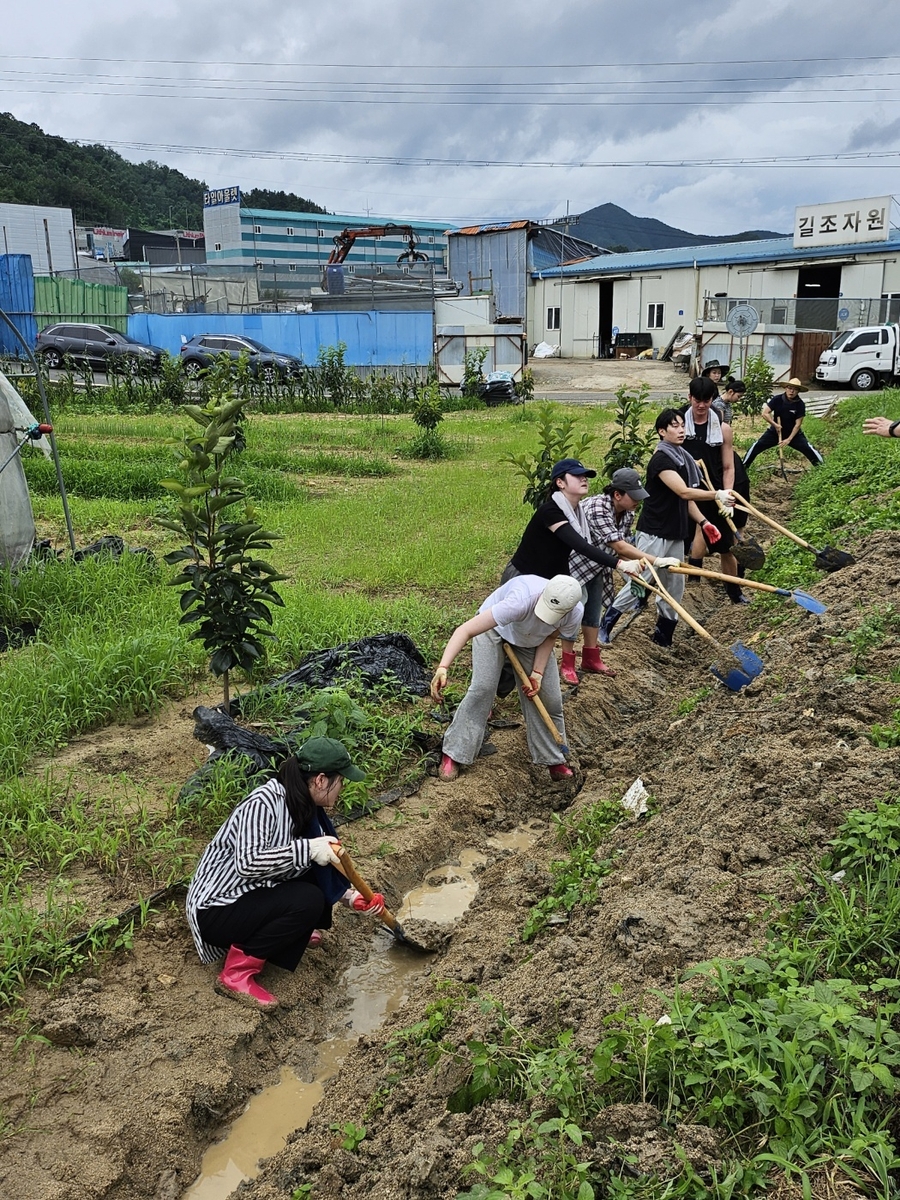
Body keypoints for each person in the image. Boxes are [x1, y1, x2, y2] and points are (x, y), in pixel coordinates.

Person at [185, 737, 385, 1010]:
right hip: (217, 907)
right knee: (308, 900)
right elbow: (248, 863)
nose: (342, 789)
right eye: (341, 782)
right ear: (321, 780)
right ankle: (236, 974)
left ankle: (291, 933)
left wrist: (350, 897)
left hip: (252, 893)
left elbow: (316, 862)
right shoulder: (264, 804)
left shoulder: (304, 805)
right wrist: (308, 849)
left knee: (314, 875)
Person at [503, 457, 657, 683]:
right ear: (560, 483)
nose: (584, 479)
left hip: (548, 579)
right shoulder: (552, 512)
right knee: (513, 634)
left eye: (585, 475)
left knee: (536, 632)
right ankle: (492, 689)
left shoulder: (577, 512)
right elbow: (581, 546)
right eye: (577, 476)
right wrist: (621, 564)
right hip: (523, 579)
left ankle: (525, 680)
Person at [599, 409, 737, 648]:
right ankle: (606, 626)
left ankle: (663, 639)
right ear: (662, 432)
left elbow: (687, 500)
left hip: (675, 533)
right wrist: (717, 494)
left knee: (675, 587)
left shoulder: (682, 458)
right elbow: (683, 491)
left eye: (682, 425)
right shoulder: (662, 460)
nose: (681, 429)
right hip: (654, 531)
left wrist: (704, 523)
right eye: (674, 426)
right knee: (642, 581)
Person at [430, 574, 583, 782]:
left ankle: (553, 759)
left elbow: (550, 636)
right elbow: (465, 630)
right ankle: (454, 753)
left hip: (533, 642)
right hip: (495, 630)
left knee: (550, 700)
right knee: (483, 689)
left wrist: (537, 673)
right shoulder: (520, 600)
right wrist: (443, 667)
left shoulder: (574, 613)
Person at [565, 467, 655, 675]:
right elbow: (619, 547)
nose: (637, 502)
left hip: (598, 563)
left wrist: (635, 568)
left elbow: (622, 546)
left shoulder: (627, 511)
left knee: (593, 613)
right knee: (574, 612)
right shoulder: (597, 507)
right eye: (633, 497)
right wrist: (655, 560)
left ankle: (590, 657)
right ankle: (567, 663)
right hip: (574, 564)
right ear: (617, 494)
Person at [680, 376, 751, 604]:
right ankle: (693, 582)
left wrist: (727, 495)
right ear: (690, 398)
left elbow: (728, 466)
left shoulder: (722, 429)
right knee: (700, 531)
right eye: (697, 400)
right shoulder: (679, 427)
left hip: (717, 490)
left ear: (712, 399)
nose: (701, 406)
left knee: (727, 544)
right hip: (691, 490)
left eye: (706, 401)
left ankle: (734, 592)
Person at [742, 378, 824, 470]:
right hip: (775, 432)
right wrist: (775, 424)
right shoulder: (777, 399)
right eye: (789, 388)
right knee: (756, 446)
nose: (791, 391)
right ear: (785, 388)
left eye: (795, 389)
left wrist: (789, 439)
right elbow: (765, 413)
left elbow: (798, 424)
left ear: (798, 391)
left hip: (793, 435)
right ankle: (743, 468)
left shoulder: (800, 404)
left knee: (808, 449)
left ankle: (823, 469)